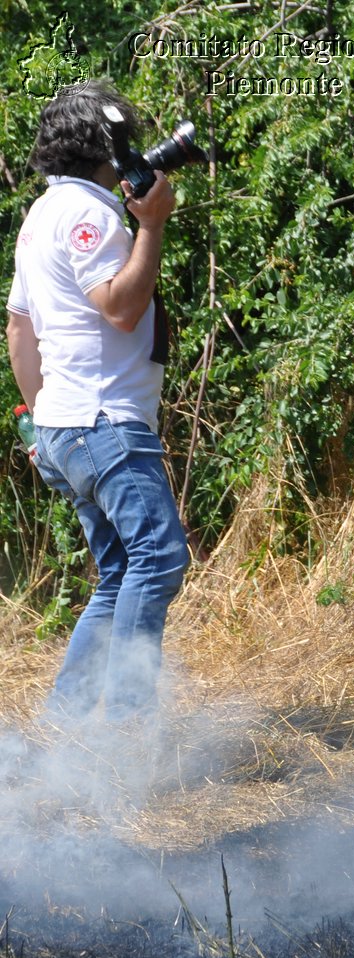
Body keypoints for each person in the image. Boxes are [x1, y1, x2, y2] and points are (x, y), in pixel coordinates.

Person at [5, 80, 190, 718]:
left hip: (67, 425)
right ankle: (126, 731)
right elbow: (118, 305)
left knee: (118, 578)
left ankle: (67, 732)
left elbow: (18, 330)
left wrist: (39, 427)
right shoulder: (89, 214)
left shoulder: (39, 217)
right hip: (104, 421)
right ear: (106, 144)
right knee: (160, 557)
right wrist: (153, 227)